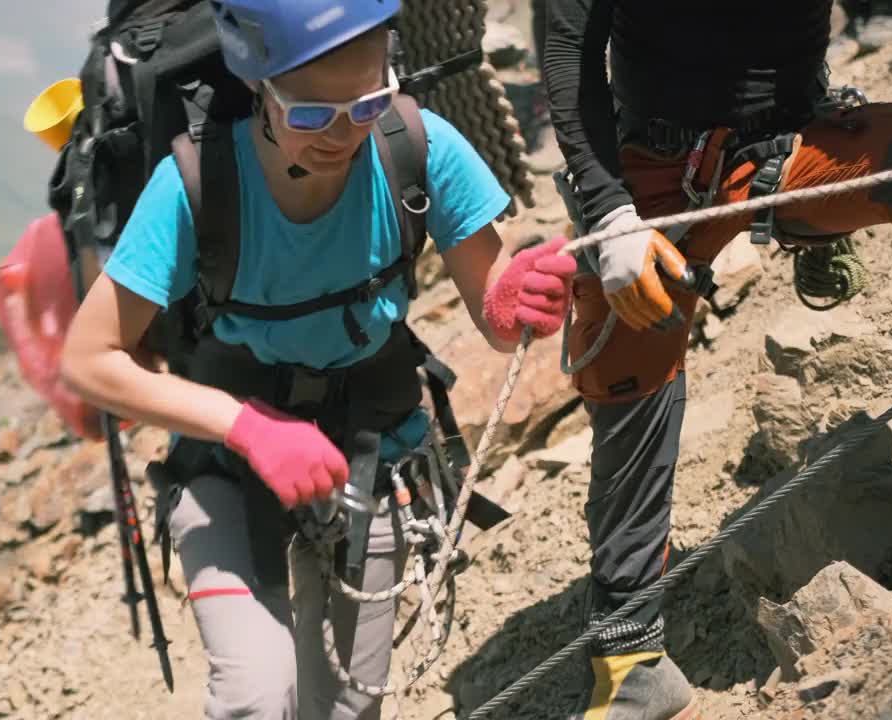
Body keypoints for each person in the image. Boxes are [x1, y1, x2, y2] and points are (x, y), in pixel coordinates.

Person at [59, 1, 578, 717]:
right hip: (228, 473)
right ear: (259, 88)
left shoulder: (417, 146)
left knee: (348, 708)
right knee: (254, 695)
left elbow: (495, 312)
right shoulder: (195, 187)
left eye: (365, 103)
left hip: (374, 455)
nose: (342, 134)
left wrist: (515, 301)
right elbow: (89, 362)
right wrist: (251, 429)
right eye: (311, 115)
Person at [538, 0, 892, 718]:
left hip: (798, 140)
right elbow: (567, 47)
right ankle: (629, 655)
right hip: (652, 164)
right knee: (623, 363)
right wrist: (608, 211)